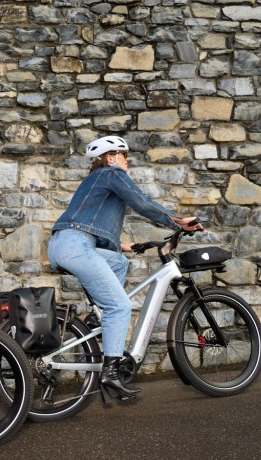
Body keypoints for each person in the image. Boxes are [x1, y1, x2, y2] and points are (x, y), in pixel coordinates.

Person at [47, 135, 202, 398]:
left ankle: (98, 315)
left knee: (119, 262)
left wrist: (123, 246)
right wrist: (176, 221)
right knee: (119, 306)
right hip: (76, 245)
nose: (127, 161)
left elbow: (88, 221)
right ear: (110, 157)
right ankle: (110, 373)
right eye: (124, 155)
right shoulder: (111, 174)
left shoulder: (93, 180)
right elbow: (140, 201)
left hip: (65, 244)